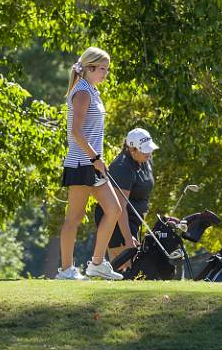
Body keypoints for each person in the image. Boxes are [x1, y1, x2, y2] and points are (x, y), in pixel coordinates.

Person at [56, 46, 123, 280]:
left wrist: (96, 159)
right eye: (102, 69)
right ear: (90, 68)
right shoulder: (82, 92)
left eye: (107, 69)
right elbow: (75, 131)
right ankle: (66, 270)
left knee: (114, 209)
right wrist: (95, 158)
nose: (105, 74)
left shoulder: (92, 90)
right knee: (74, 218)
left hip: (92, 163)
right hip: (81, 164)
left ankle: (96, 264)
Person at [95, 128, 159, 263]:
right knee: (124, 268)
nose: (149, 153)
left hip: (133, 221)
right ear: (132, 149)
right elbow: (120, 207)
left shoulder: (145, 160)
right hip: (116, 223)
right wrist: (128, 238)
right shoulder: (122, 166)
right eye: (145, 150)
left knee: (134, 269)